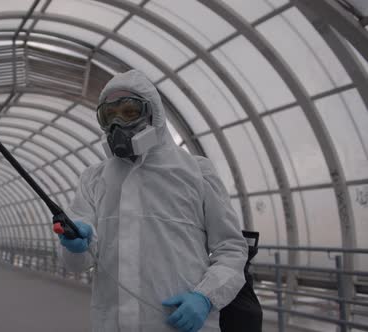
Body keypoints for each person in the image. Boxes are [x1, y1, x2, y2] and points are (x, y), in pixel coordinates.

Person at [56, 70, 248, 332]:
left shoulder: (195, 172)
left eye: (129, 111)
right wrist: (75, 246)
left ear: (153, 113)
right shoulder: (94, 179)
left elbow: (231, 249)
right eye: (108, 115)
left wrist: (205, 297)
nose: (118, 124)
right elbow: (77, 264)